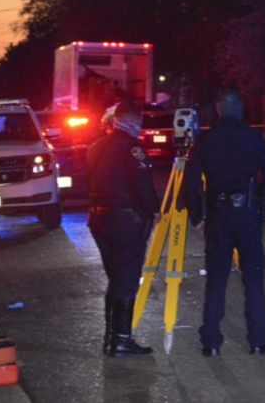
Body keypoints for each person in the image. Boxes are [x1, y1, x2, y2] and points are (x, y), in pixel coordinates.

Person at [179, 88, 265, 356]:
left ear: (219, 110)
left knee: (216, 279)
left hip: (218, 214)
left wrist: (197, 216)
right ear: (241, 109)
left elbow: (190, 183)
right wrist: (259, 199)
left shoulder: (205, 141)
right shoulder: (255, 138)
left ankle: (211, 341)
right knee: (254, 277)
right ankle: (258, 338)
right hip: (246, 213)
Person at [86, 100, 159, 356]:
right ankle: (121, 340)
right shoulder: (132, 147)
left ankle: (111, 337)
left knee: (116, 279)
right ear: (134, 120)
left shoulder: (96, 146)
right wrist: (154, 209)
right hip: (124, 221)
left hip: (98, 219)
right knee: (127, 280)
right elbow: (142, 186)